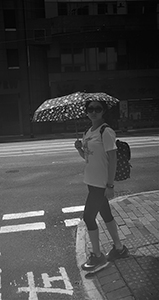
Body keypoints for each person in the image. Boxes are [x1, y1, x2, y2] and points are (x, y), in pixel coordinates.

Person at [74, 98, 129, 273]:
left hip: (101, 183)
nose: (93, 112)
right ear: (86, 111)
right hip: (91, 181)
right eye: (90, 109)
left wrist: (110, 185)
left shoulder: (106, 131)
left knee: (88, 217)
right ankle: (119, 248)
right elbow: (88, 158)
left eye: (97, 109)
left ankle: (97, 256)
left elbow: (112, 158)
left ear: (103, 111)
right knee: (106, 214)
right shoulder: (88, 132)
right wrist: (79, 149)